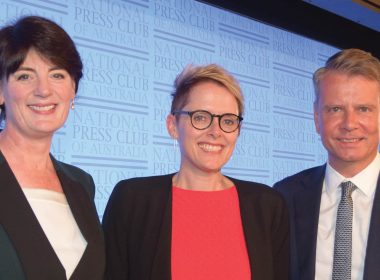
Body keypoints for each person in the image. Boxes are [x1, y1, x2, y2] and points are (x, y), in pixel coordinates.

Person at [102, 64, 289, 280]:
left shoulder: (267, 205)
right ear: (172, 125)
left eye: (228, 120)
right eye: (200, 117)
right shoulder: (132, 199)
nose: (215, 132)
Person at [0, 16, 105, 279]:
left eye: (57, 74)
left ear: (73, 90)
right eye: (25, 76)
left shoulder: (82, 183)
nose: (44, 90)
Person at [274, 48, 380, 280]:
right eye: (335, 109)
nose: (349, 123)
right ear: (316, 119)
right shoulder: (284, 197)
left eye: (363, 109)